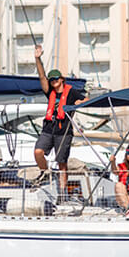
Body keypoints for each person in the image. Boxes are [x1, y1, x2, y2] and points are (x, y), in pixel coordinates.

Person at [33, 45, 87, 200]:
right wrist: (38, 59)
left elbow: (84, 100)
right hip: (49, 129)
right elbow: (42, 77)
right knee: (38, 152)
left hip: (64, 131)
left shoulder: (72, 92)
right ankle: (45, 173)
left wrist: (84, 102)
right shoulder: (49, 91)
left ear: (62, 79)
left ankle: (62, 194)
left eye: (56, 79)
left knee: (62, 163)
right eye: (52, 80)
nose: (53, 81)